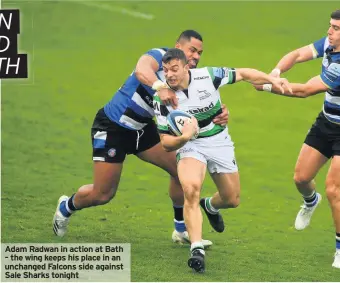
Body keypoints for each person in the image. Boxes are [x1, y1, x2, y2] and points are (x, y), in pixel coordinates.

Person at [52, 30, 230, 248]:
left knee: (180, 169)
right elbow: (141, 70)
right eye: (192, 50)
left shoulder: (187, 75)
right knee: (103, 194)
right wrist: (160, 86)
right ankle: (66, 207)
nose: (196, 56)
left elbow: (200, 103)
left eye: (199, 53)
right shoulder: (158, 55)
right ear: (178, 46)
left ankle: (181, 229)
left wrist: (220, 114)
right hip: (114, 128)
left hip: (144, 130)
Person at [153, 48, 287, 273]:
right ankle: (196, 248)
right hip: (189, 146)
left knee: (232, 198)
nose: (170, 75)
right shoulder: (162, 98)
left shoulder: (208, 76)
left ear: (187, 67)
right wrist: (185, 137)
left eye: (175, 69)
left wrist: (270, 79)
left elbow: (243, 73)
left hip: (218, 141)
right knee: (191, 188)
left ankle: (210, 206)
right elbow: (166, 142)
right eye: (166, 71)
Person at [255, 9, 340, 269]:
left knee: (333, 190)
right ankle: (310, 201)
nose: (330, 31)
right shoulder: (330, 44)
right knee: (301, 178)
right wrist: (274, 72)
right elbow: (296, 55)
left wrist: (267, 86)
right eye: (330, 26)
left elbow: (305, 90)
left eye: (336, 28)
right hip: (326, 122)